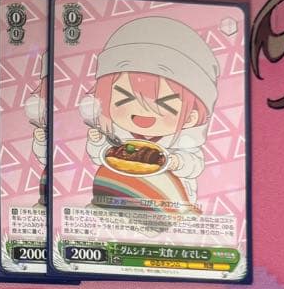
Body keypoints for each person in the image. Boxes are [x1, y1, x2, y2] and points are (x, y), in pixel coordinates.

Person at [84, 17, 218, 209]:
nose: (142, 112)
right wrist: (97, 141)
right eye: (124, 98)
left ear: (191, 117)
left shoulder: (185, 140)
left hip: (169, 206)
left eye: (164, 104)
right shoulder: (115, 133)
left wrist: (177, 162)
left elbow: (195, 164)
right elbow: (100, 158)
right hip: (115, 199)